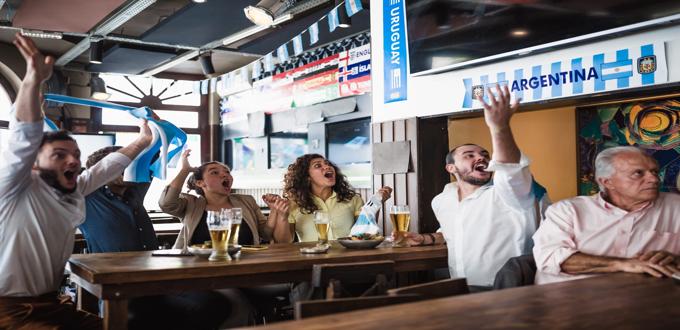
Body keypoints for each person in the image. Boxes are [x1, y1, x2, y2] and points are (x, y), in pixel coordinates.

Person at [0, 34, 152, 329]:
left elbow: (105, 168)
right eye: (59, 155)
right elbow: (23, 136)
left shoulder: (69, 190)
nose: (72, 161)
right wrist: (32, 81)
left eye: (75, 155)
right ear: (33, 164)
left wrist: (143, 141)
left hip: (51, 303)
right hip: (8, 312)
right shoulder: (12, 187)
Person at [402, 85, 547, 290]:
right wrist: (425, 238)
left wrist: (500, 127)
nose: (481, 157)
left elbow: (510, 169)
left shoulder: (507, 193)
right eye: (469, 155)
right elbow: (453, 231)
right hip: (460, 289)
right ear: (451, 168)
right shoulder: (443, 200)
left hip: (508, 290)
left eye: (485, 155)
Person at [81, 146, 231, 330]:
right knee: (137, 320)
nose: (126, 170)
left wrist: (154, 128)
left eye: (128, 164)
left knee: (215, 304)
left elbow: (153, 154)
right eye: (117, 166)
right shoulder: (87, 198)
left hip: (154, 282)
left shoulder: (134, 191)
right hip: (119, 288)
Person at [533, 146, 680, 284]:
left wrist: (676, 259)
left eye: (654, 172)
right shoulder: (567, 210)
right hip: (566, 298)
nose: (654, 179)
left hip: (642, 298)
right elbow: (549, 258)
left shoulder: (676, 206)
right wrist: (623, 264)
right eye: (638, 173)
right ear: (607, 182)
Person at [159, 149, 292, 248]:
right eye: (214, 172)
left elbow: (265, 234)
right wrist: (185, 170)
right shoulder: (191, 203)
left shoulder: (246, 201)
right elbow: (166, 204)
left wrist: (275, 211)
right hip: (198, 268)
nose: (224, 175)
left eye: (227, 172)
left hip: (245, 265)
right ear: (200, 183)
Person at [283, 153, 392, 242]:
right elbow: (284, 241)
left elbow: (364, 231)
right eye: (318, 165)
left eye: (327, 163)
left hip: (346, 259)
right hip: (310, 259)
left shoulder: (352, 199)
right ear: (307, 178)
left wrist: (376, 203)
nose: (327, 166)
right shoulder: (293, 205)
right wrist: (280, 214)